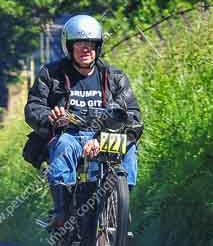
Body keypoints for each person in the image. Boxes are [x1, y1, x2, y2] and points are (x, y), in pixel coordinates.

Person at [24, 14, 143, 228]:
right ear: (69, 47)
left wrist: (101, 139)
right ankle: (63, 212)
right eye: (79, 43)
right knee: (63, 146)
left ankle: (121, 207)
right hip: (70, 135)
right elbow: (33, 107)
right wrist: (50, 117)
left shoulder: (115, 77)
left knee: (130, 151)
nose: (85, 49)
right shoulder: (51, 74)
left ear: (98, 46)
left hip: (106, 136)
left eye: (91, 44)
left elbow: (133, 117)